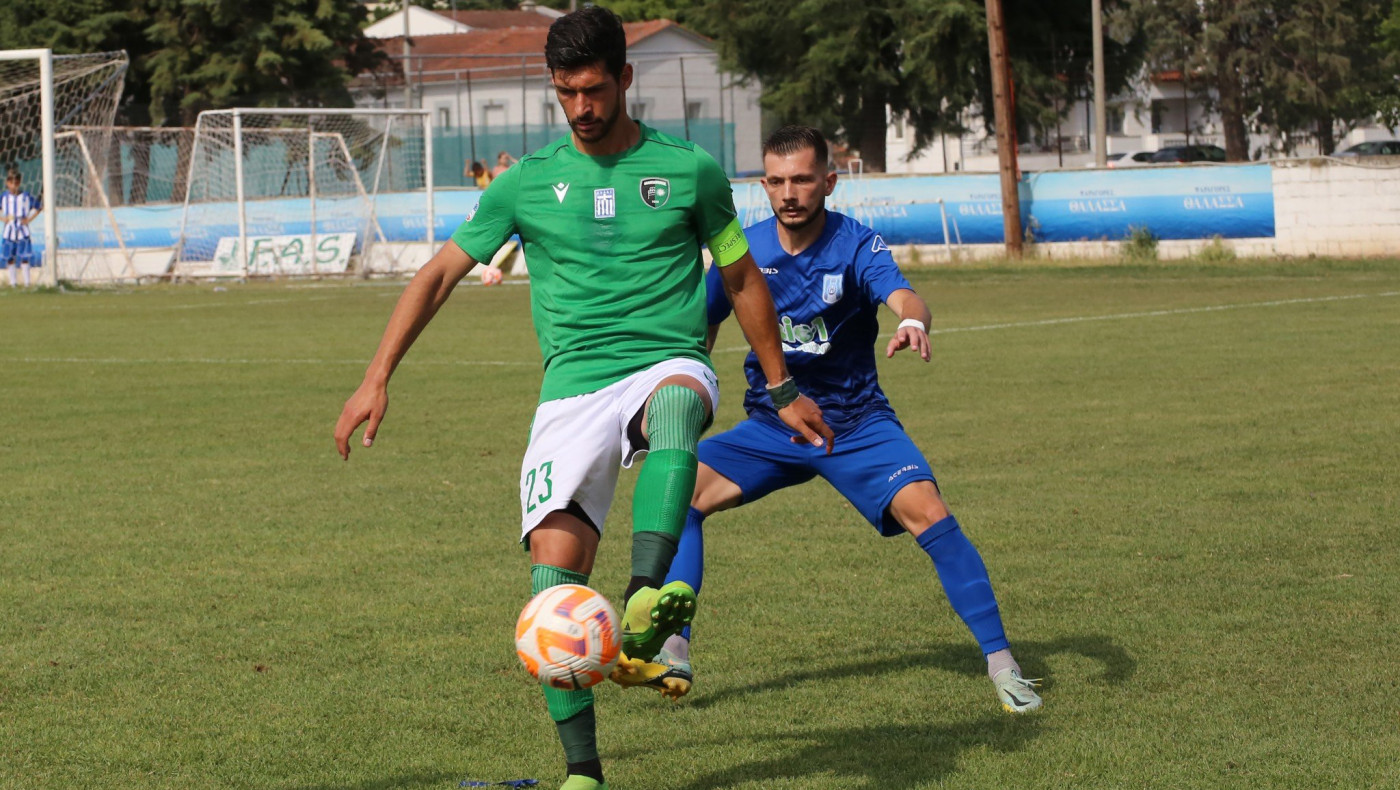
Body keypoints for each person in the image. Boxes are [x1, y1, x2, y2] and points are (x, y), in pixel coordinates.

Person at [332, 10, 833, 790]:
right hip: (569, 394)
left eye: (594, 89)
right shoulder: (526, 183)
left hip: (665, 359)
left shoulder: (691, 170)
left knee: (676, 403)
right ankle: (584, 775)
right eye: (565, 92)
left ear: (624, 79)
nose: (581, 108)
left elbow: (740, 280)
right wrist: (376, 376)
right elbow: (436, 276)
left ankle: (642, 598)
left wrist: (783, 385)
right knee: (551, 590)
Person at [625, 126, 1044, 714]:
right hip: (774, 427)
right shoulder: (742, 252)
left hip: (854, 424)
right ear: (763, 185)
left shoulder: (856, 245)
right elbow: (698, 327)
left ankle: (1005, 668)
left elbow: (904, 297)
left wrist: (914, 322)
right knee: (677, 495)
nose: (788, 193)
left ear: (828, 181)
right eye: (776, 181)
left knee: (931, 514)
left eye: (801, 179)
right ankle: (674, 650)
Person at [1, 169, 42, 288]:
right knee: (9, 257)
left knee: (25, 256)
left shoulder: (26, 196)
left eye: (16, 183)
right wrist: (3, 219)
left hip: (22, 230)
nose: (13, 186)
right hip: (9, 230)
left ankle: (27, 283)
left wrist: (29, 219)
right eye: (11, 183)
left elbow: (39, 207)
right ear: (7, 183)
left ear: (19, 183)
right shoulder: (4, 197)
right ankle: (13, 283)